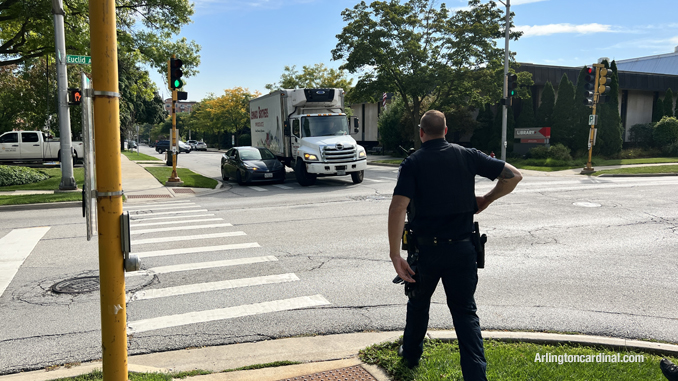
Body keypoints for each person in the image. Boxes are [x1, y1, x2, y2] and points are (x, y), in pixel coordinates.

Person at [388, 110, 522, 380]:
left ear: (421, 132)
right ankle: (475, 376)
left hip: (425, 251)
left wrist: (394, 255)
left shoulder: (413, 162)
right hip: (462, 250)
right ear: (446, 131)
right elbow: (513, 176)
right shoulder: (468, 155)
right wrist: (486, 198)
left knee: (418, 305)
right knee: (465, 313)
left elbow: (398, 207)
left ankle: (411, 355)